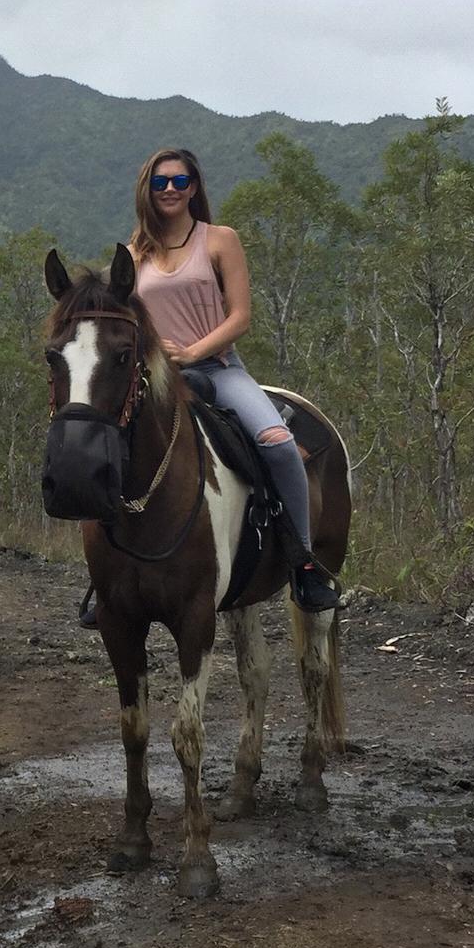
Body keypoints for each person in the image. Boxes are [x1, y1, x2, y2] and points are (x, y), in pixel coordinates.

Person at [123, 146, 340, 614]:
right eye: (161, 182)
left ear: (194, 188)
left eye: (180, 182)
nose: (171, 190)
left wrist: (194, 352)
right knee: (107, 445)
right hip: (157, 378)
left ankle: (302, 563)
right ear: (148, 187)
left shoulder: (220, 240)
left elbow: (241, 316)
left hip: (217, 370)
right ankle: (109, 577)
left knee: (278, 442)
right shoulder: (133, 251)